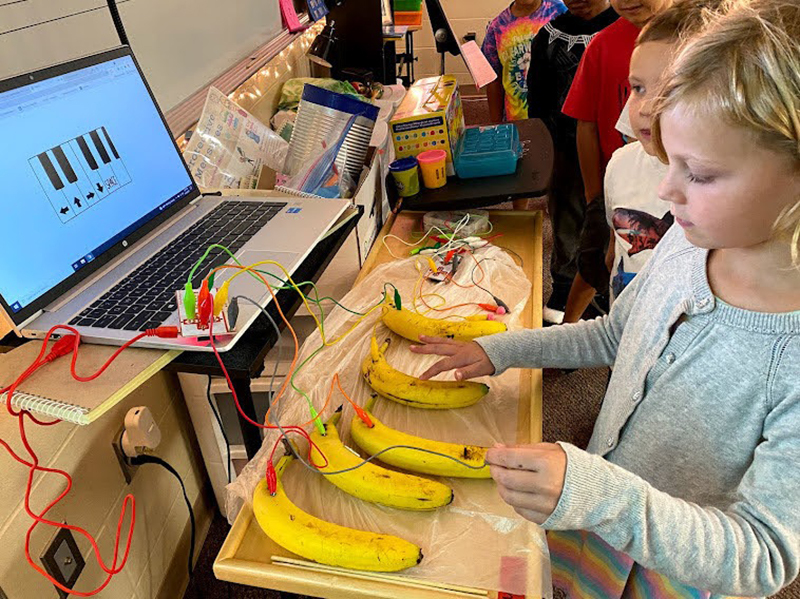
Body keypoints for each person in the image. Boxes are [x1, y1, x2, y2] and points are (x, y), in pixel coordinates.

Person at [411, 0, 800, 596]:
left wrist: (604, 495)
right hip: (596, 518)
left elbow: (765, 555)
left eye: (699, 173)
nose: (667, 189)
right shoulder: (690, 245)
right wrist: (502, 350)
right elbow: (620, 333)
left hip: (669, 571)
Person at [558, 0, 672, 322]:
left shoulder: (701, 41)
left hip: (670, 199)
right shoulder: (602, 45)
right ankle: (570, 329)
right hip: (618, 190)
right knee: (598, 262)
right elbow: (585, 122)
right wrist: (595, 195)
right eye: (637, 88)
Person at [604, 2, 720, 302]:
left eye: (671, 90)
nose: (645, 108)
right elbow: (617, 238)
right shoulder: (621, 164)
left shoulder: (727, 194)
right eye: (638, 88)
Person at [527, 0, 618, 321]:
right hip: (563, 151)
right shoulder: (549, 36)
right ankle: (564, 290)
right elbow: (536, 103)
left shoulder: (626, 28)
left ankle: (604, 293)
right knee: (566, 220)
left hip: (615, 151)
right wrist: (541, 155)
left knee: (609, 225)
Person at [483, 0, 567, 126]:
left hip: (559, 119)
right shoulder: (497, 28)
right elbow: (494, 81)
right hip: (517, 120)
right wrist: (496, 124)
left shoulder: (560, 12)